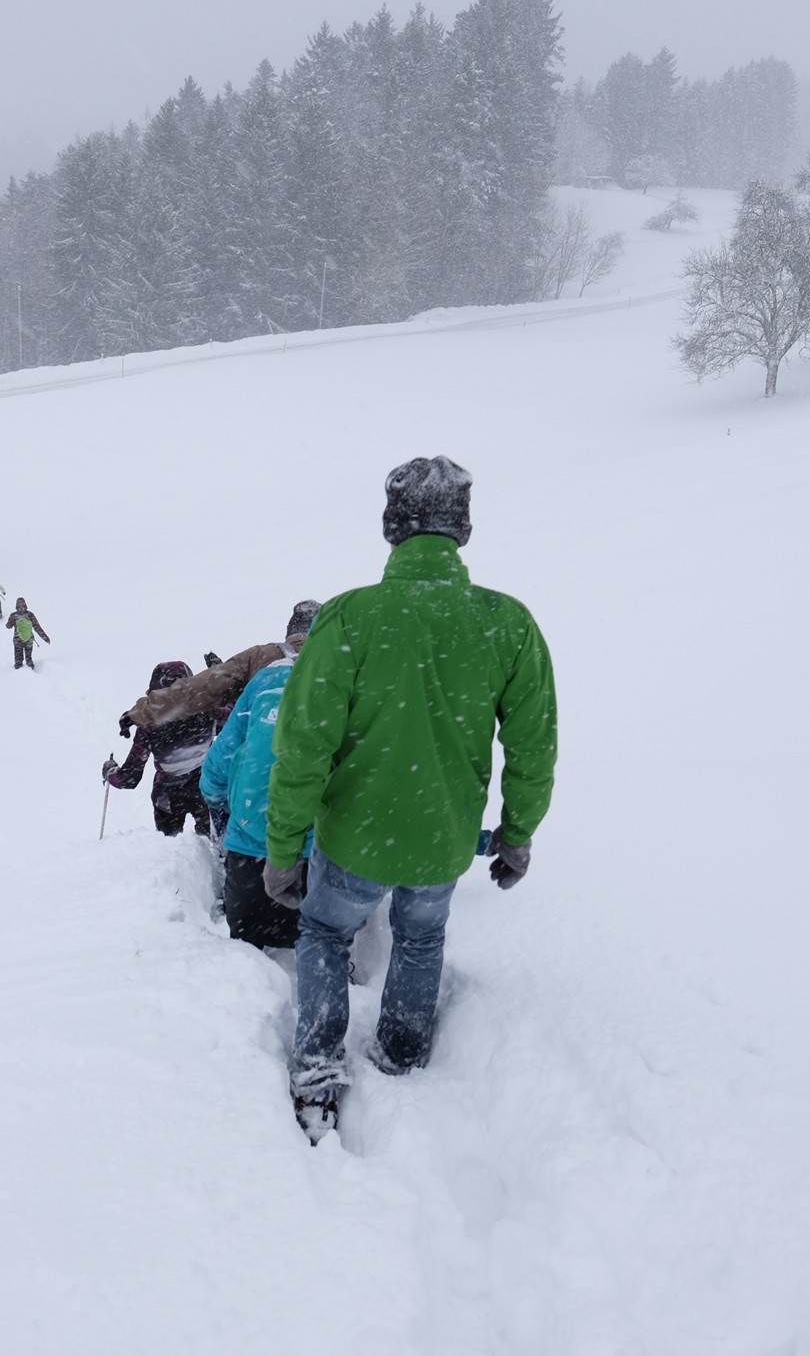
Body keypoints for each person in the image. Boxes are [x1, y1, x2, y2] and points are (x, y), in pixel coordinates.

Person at [262, 457, 556, 1142]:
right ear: (463, 526)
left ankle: (316, 1067)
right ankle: (400, 1052)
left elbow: (302, 747)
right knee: (421, 937)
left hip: (352, 840)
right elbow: (534, 744)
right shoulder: (506, 623)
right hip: (442, 839)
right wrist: (516, 834)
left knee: (326, 932)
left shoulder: (350, 619)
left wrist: (282, 850)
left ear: (392, 525)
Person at [195, 606, 320, 949]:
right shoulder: (340, 682)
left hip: (249, 846)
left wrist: (225, 811)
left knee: (247, 945)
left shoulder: (263, 681)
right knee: (321, 935)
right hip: (315, 850)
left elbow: (217, 767)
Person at [117, 601, 320, 742]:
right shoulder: (344, 662)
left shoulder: (262, 656)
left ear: (290, 630)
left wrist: (140, 712)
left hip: (265, 769)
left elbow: (195, 691)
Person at [104, 662, 221, 837]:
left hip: (167, 797)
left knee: (169, 852)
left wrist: (110, 772)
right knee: (213, 847)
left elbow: (129, 779)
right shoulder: (209, 711)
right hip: (206, 789)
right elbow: (238, 712)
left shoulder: (149, 725)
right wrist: (219, 672)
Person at [5, 597, 51, 670]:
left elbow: (8, 626)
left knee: (18, 659)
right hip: (29, 639)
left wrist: (10, 622)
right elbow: (37, 627)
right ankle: (30, 666)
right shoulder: (30, 615)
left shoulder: (13, 615)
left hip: (18, 640)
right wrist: (45, 638)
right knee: (28, 656)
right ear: (25, 604)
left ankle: (18, 670)